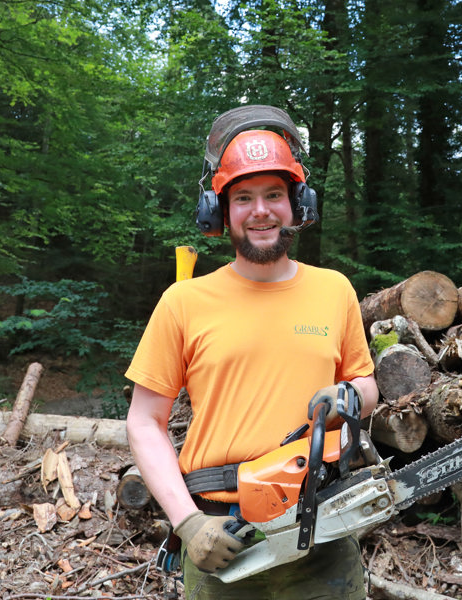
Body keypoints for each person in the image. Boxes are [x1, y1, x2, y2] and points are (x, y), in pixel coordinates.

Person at [125, 108, 379, 600]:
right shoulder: (184, 302)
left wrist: (350, 396)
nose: (260, 210)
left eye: (274, 195)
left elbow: (366, 384)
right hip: (223, 537)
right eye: (243, 197)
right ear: (220, 211)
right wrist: (188, 523)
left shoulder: (335, 289)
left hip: (322, 527)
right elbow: (143, 422)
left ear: (297, 203)